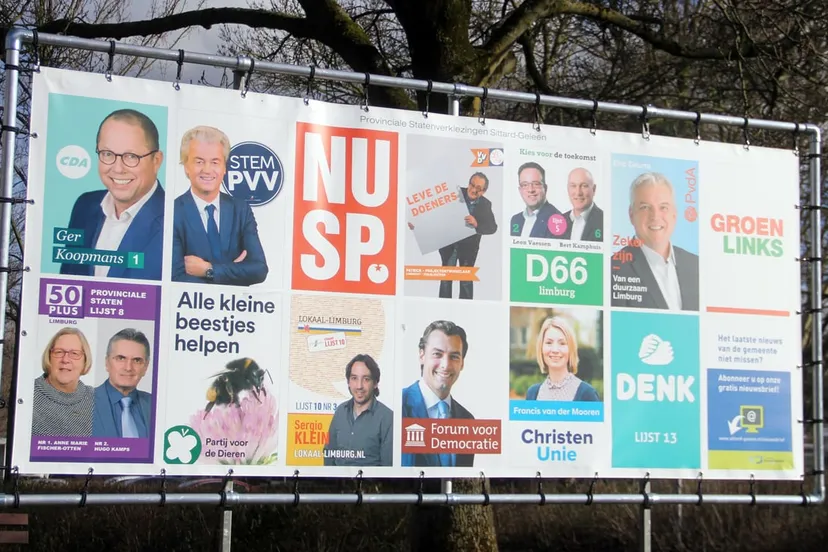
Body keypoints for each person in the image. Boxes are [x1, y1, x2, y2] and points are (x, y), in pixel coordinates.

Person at [59, 109, 165, 280]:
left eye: (131, 156)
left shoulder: (178, 220)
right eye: (107, 154)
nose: (117, 168)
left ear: (156, 161)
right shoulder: (84, 206)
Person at [172, 125, 268, 285]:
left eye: (215, 162)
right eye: (199, 161)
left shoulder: (240, 210)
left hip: (234, 308)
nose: (207, 170)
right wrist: (235, 273)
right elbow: (175, 276)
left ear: (224, 168)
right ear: (186, 167)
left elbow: (258, 270)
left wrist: (208, 270)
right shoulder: (172, 212)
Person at [611, 172, 699, 311]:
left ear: (674, 214)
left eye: (663, 207)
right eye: (645, 207)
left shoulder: (696, 266)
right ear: (631, 215)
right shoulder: (612, 271)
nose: (655, 216)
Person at [402, 320, 474, 467]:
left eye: (454, 356)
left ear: (462, 363)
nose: (445, 365)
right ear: (422, 355)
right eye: (437, 354)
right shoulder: (397, 406)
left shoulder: (467, 420)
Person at [435, 172, 497, 299]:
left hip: (468, 249)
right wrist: (419, 226)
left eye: (478, 189)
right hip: (449, 246)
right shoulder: (455, 194)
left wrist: (476, 224)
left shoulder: (486, 204)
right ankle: (444, 308)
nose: (473, 190)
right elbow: (436, 213)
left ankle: (466, 310)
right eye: (472, 185)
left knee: (466, 282)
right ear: (468, 183)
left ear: (484, 191)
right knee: (446, 280)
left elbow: (492, 228)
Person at [324, 354, 393, 467]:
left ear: (375, 383)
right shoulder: (340, 411)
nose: (359, 386)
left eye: (366, 379)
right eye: (354, 378)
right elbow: (329, 453)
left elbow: (387, 466)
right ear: (348, 382)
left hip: (370, 483)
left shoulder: (387, 418)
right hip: (339, 482)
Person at [31, 327, 94, 437]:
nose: (65, 360)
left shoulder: (97, 400)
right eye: (59, 352)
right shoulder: (27, 395)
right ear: (49, 357)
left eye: (74, 353)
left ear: (85, 360)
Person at [92, 328, 153, 439]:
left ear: (146, 367)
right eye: (121, 358)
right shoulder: (82, 403)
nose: (128, 368)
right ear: (107, 362)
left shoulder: (156, 405)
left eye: (137, 360)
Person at [525, 317, 600, 402]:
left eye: (562, 343)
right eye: (549, 343)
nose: (555, 350)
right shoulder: (532, 394)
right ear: (541, 348)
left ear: (570, 349)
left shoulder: (587, 394)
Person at [510, 162, 562, 238]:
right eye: (525, 185)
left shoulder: (557, 220)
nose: (530, 190)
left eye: (536, 184)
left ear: (545, 188)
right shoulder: (516, 220)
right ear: (520, 190)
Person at [560, 167, 604, 242]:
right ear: (568, 189)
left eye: (584, 186)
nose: (578, 193)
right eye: (573, 186)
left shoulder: (604, 221)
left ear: (594, 189)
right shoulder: (560, 221)